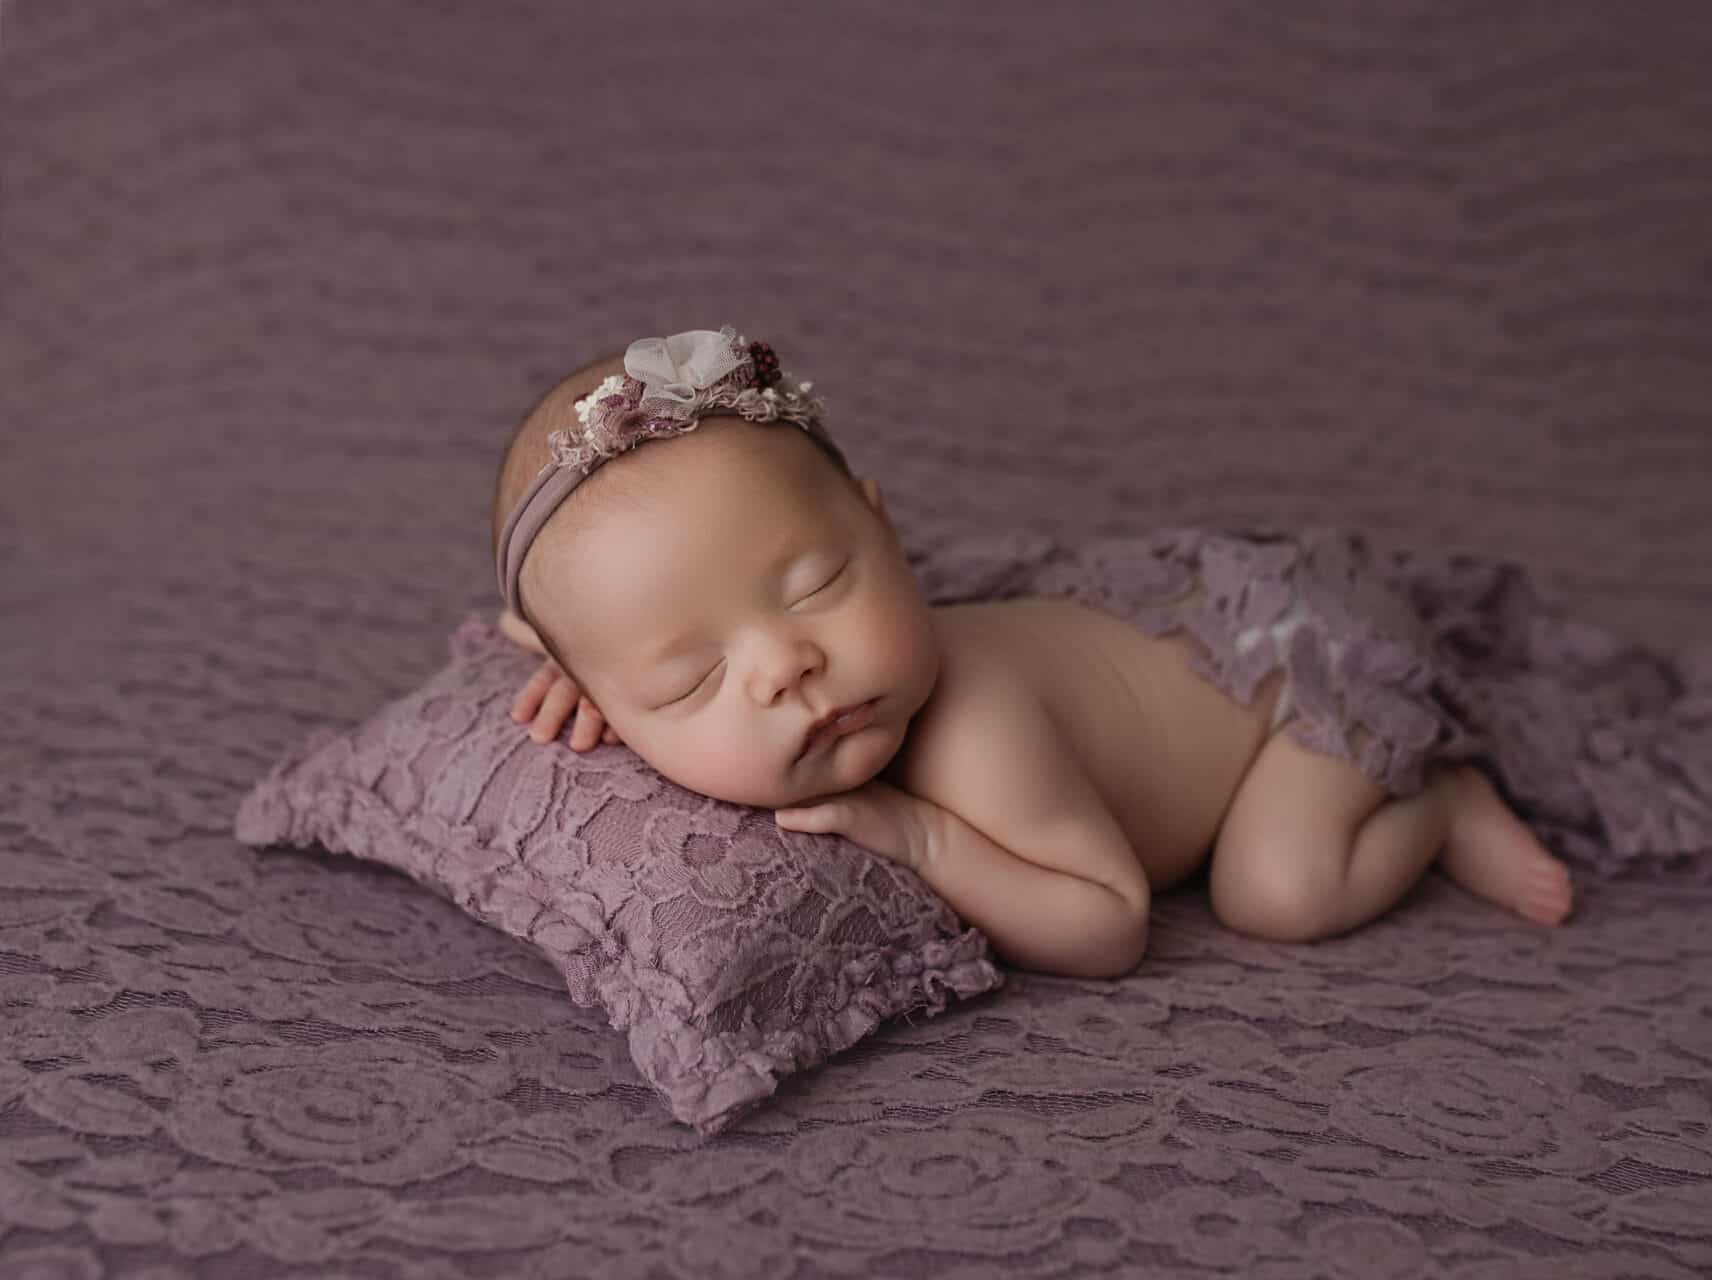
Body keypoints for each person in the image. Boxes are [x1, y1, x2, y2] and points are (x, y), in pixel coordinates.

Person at [490, 327, 1573, 979]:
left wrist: (924, 837)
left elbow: (1110, 924)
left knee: (1278, 889)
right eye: (692, 677)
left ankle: (1439, 798)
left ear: (884, 527)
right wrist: (590, 676)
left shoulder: (977, 730)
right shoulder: (625, 668)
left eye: (816, 585)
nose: (787, 666)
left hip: (1287, 669)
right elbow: (579, 624)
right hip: (1182, 644)